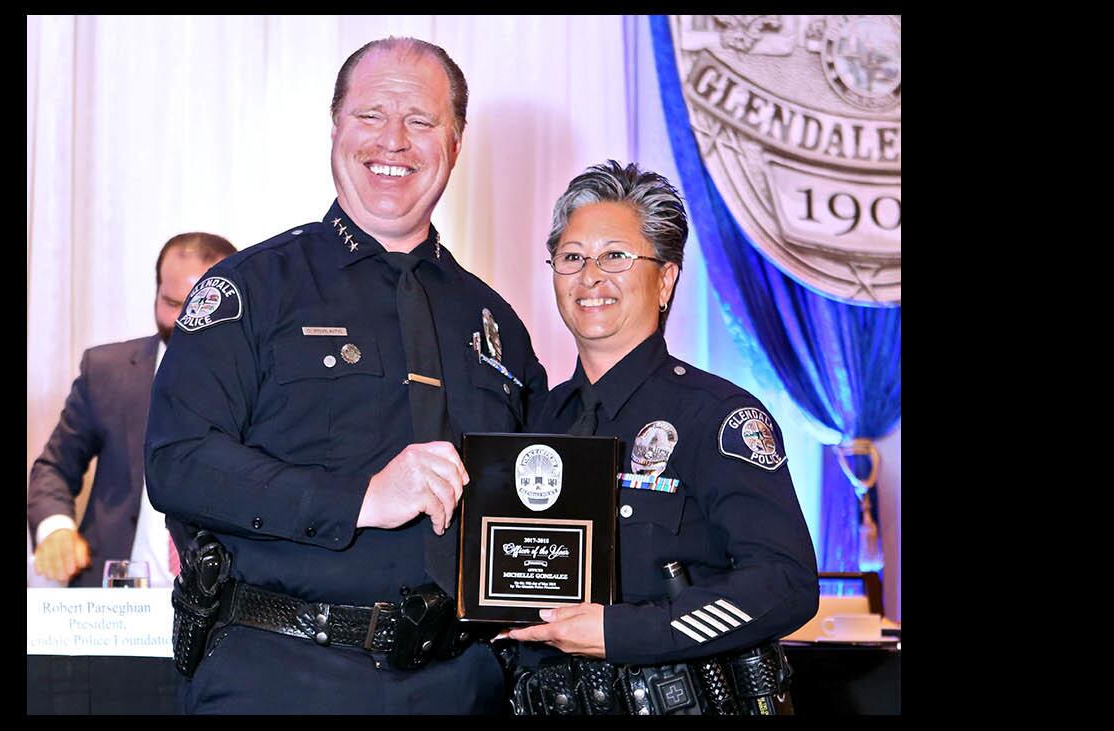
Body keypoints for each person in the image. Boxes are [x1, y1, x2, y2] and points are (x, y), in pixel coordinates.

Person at [145, 37, 548, 714]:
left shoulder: (496, 322)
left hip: (463, 685)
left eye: (420, 121)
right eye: (370, 115)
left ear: (454, 142)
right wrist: (360, 497)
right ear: (335, 129)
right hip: (281, 678)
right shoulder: (250, 288)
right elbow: (178, 461)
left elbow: (540, 501)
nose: (393, 140)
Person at [499, 161, 818, 715]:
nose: (590, 276)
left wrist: (628, 632)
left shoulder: (718, 417)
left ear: (666, 278)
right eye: (572, 257)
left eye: (615, 256)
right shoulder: (535, 424)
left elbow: (785, 583)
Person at [28, 232, 237, 589]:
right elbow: (53, 470)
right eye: (172, 303)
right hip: (114, 607)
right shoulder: (107, 372)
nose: (185, 322)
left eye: (200, 307)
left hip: (217, 605)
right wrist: (56, 530)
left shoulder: (264, 386)